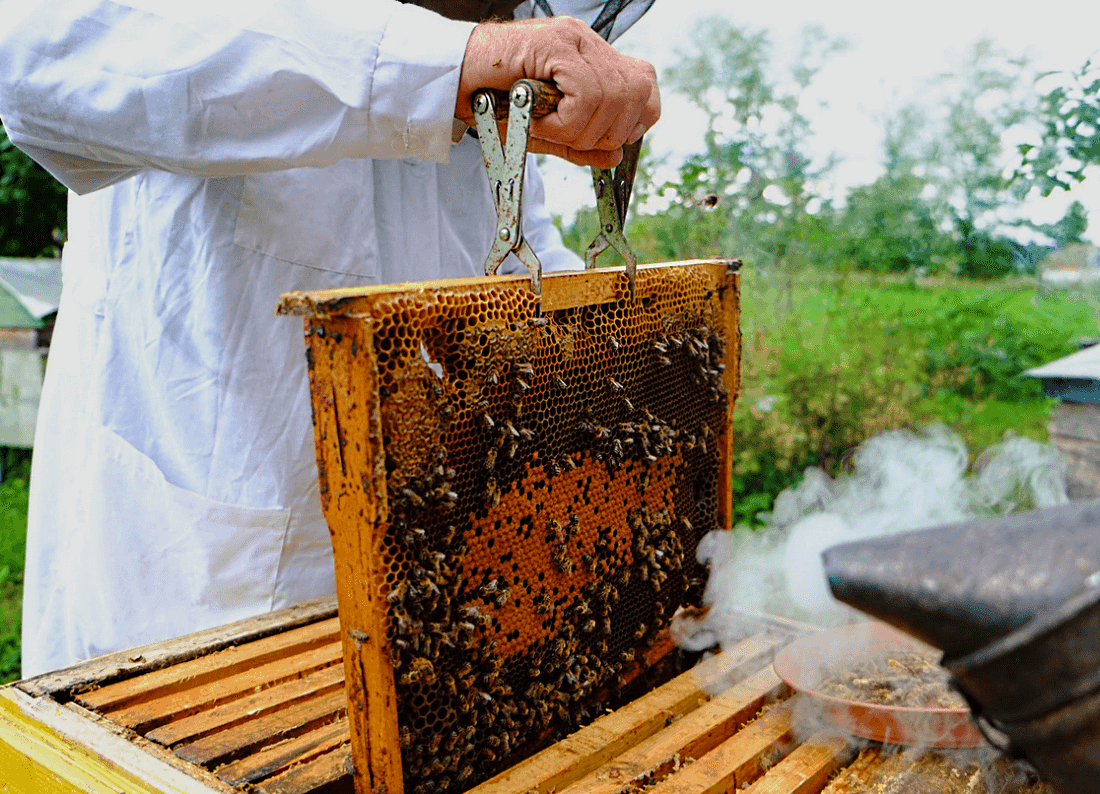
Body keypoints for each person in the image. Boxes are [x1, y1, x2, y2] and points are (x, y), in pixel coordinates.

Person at [0, 0, 660, 677]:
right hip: (198, 603)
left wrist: (605, 364)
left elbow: (515, 246)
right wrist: (433, 64)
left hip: (438, 608)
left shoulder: (485, 81)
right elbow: (39, 50)